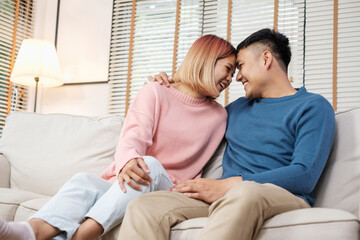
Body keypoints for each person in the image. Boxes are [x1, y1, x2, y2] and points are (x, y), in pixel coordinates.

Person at [0, 34, 236, 240]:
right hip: (133, 178)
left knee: (150, 165)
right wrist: (127, 162)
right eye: (228, 69)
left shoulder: (219, 116)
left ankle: (83, 235)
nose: (230, 79)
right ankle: (31, 231)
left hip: (170, 190)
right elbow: (132, 137)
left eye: (235, 73)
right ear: (206, 59)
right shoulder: (156, 91)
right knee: (84, 181)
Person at [117, 28, 336, 240]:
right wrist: (172, 85)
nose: (237, 77)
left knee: (246, 192)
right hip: (225, 197)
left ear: (266, 59)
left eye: (240, 66)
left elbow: (304, 175)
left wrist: (231, 184)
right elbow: (189, 114)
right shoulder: (234, 110)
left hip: (280, 196)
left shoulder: (312, 106)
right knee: (144, 206)